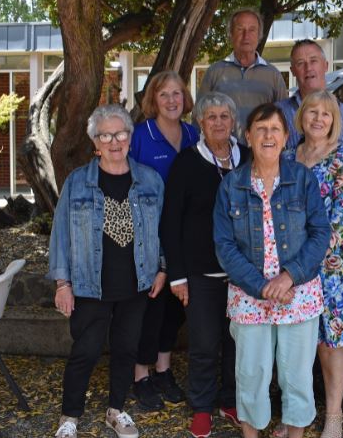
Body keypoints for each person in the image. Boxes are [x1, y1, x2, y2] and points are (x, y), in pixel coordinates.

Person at [213, 103, 331, 438]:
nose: (268, 135)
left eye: (275, 129)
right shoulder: (231, 185)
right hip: (250, 297)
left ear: (286, 137)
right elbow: (224, 246)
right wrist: (261, 286)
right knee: (251, 374)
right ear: (247, 136)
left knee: (296, 377)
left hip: (299, 294)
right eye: (260, 129)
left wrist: (288, 276)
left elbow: (320, 232)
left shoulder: (302, 180)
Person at [49, 104, 165, 438]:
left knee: (126, 350)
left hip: (137, 283)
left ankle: (116, 410)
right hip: (89, 285)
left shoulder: (151, 181)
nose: (114, 141)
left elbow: (164, 230)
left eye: (120, 133)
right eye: (105, 135)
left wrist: (162, 270)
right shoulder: (78, 182)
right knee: (84, 351)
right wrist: (62, 283)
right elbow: (61, 236)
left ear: (130, 137)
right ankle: (69, 417)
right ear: (95, 143)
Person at [162, 92, 250, 437]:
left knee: (237, 342)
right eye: (210, 117)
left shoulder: (248, 158)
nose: (217, 122)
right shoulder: (186, 162)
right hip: (200, 273)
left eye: (224, 116)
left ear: (233, 121)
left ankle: (229, 398)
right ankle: (201, 406)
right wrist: (177, 276)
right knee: (203, 342)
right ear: (200, 122)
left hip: (243, 273)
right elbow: (171, 222)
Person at [289, 90, 343, 438]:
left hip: (332, 266)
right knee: (298, 342)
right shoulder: (288, 158)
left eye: (326, 114)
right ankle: (299, 414)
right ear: (301, 116)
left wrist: (307, 254)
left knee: (331, 341)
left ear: (335, 121)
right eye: (312, 112)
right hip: (291, 266)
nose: (318, 119)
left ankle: (333, 416)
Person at [128, 70, 198, 410]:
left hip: (186, 238)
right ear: (152, 100)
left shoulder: (193, 134)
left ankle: (163, 369)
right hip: (149, 237)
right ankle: (140, 374)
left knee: (176, 308)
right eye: (164, 94)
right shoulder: (141, 136)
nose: (172, 100)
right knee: (151, 306)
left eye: (177, 94)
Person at [200, 8, 289, 141]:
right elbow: (199, 116)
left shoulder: (273, 75)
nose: (246, 35)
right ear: (230, 34)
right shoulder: (214, 72)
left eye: (252, 30)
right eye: (240, 29)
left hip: (260, 153)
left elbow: (284, 119)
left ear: (259, 35)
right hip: (222, 154)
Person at [277, 39, 343, 167]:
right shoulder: (279, 114)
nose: (308, 68)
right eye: (301, 63)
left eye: (313, 61)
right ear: (292, 71)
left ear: (326, 65)